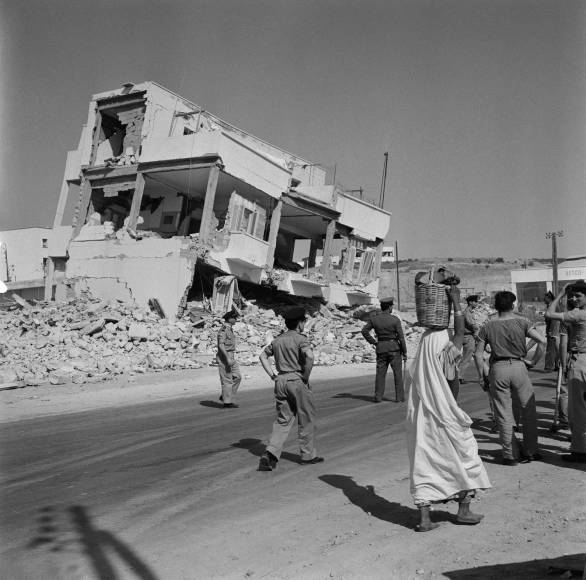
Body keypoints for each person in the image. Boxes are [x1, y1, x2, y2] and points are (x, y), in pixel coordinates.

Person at [406, 284, 491, 532]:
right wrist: (455, 302)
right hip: (445, 412)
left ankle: (424, 519)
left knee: (424, 462)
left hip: (422, 414)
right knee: (463, 458)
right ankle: (463, 510)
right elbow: (460, 334)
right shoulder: (445, 345)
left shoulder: (423, 343)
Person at [475, 291, 546, 465]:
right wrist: (533, 361)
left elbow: (478, 354)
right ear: (513, 305)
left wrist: (481, 376)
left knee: (503, 412)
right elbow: (542, 341)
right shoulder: (523, 321)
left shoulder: (487, 325)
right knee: (528, 410)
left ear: (495, 306)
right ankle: (531, 451)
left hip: (498, 368)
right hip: (519, 366)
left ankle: (510, 454)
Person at [258, 307, 324, 471]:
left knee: (283, 419)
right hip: (297, 380)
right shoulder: (301, 339)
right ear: (300, 323)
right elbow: (310, 356)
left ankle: (271, 453)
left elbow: (262, 356)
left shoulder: (278, 340)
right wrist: (306, 376)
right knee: (306, 419)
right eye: (304, 322)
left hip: (280, 381)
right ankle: (307, 455)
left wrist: (272, 375)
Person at [545, 281, 586, 462]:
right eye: (572, 295)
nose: (574, 299)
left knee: (577, 409)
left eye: (578, 296)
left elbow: (549, 313)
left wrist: (560, 294)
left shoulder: (577, 314)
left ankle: (579, 450)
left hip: (580, 360)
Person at [361, 296, 407, 403]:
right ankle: (399, 398)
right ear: (390, 307)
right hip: (394, 349)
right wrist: (404, 352)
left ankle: (378, 397)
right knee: (397, 374)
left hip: (381, 348)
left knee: (380, 374)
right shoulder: (395, 320)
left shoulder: (374, 319)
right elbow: (401, 337)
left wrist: (374, 342)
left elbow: (364, 331)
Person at [216, 308, 242, 409]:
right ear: (229, 319)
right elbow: (221, 345)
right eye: (234, 318)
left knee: (237, 377)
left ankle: (225, 395)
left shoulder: (229, 329)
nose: (236, 320)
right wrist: (227, 358)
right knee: (227, 379)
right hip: (225, 356)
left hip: (231, 355)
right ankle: (227, 402)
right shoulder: (223, 330)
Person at [458, 295, 484, 383]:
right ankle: (459, 377)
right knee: (466, 358)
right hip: (469, 337)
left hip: (471, 336)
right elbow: (473, 325)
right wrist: (479, 330)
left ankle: (483, 376)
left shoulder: (470, 312)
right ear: (470, 302)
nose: (477, 303)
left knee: (478, 356)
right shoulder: (467, 313)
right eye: (475, 301)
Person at [544, 291, 561, 371]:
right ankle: (557, 365)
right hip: (552, 331)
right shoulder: (551, 306)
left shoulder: (552, 306)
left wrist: (551, 332)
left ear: (549, 298)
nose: (543, 300)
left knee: (551, 349)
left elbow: (554, 320)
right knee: (554, 349)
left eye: (545, 298)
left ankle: (549, 367)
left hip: (553, 331)